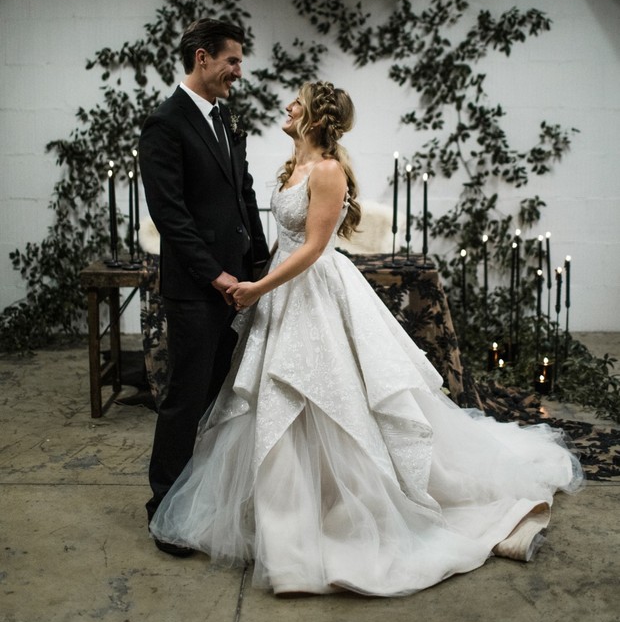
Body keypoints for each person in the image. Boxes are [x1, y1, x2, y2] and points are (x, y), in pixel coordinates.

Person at [150, 80, 582, 595]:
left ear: (313, 116)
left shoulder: (329, 171)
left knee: (328, 395)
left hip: (311, 291)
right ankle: (281, 515)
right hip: (279, 293)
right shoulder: (293, 167)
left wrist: (257, 286)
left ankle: (340, 512)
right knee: (271, 400)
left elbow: (312, 249)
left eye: (297, 102)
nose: (287, 107)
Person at [139, 17, 269, 554]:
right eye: (232, 60)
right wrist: (215, 276)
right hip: (197, 289)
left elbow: (243, 192)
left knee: (222, 395)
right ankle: (163, 508)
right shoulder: (165, 124)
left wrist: (259, 263)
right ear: (202, 58)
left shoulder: (223, 118)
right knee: (187, 397)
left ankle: (204, 495)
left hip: (239, 280)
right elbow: (170, 216)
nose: (239, 71)